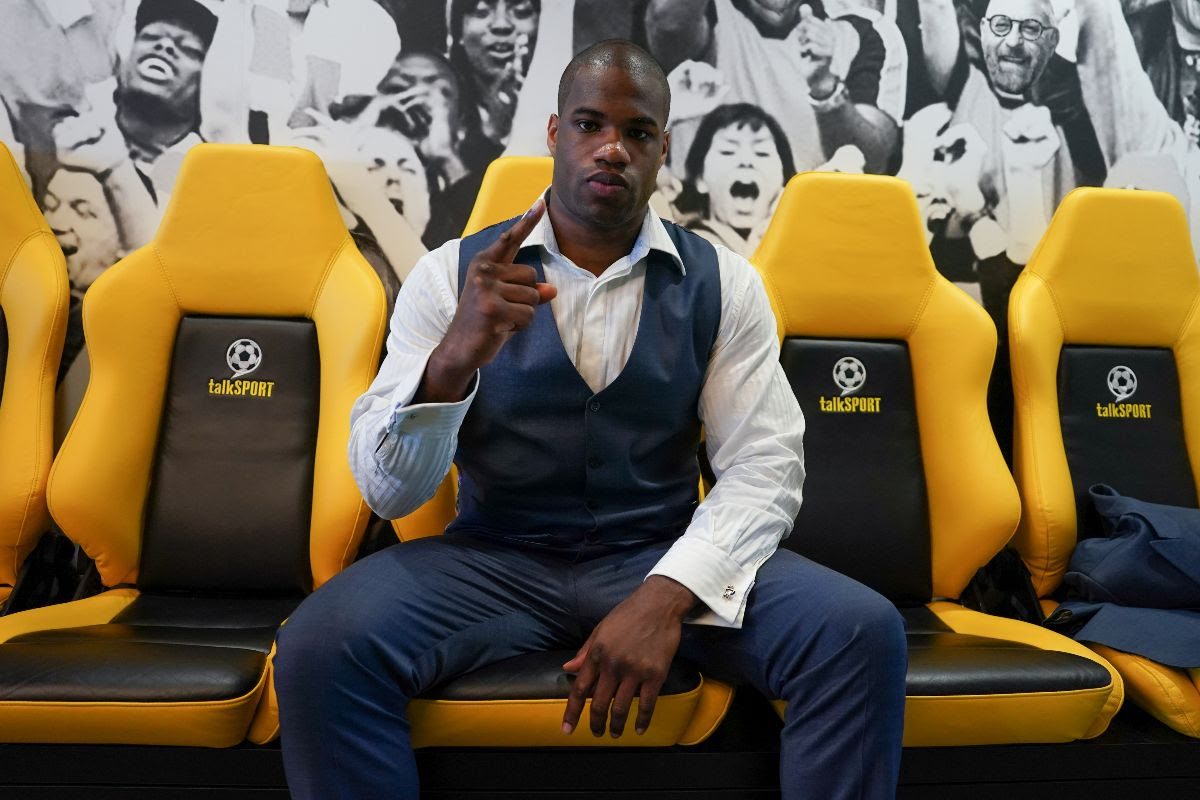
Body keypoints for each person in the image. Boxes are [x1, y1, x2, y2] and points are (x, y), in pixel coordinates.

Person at [274, 39, 907, 800]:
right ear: (553, 133)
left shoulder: (724, 284)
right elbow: (389, 493)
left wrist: (667, 594)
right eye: (588, 124)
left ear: (663, 148)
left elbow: (765, 465)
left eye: (637, 132)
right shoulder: (449, 276)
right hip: (492, 561)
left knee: (858, 633)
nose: (611, 148)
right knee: (320, 645)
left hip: (658, 550)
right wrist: (450, 363)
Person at [644, 0, 907, 173]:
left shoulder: (864, 30)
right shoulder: (705, 11)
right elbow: (668, 22)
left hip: (812, 227)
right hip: (705, 228)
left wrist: (824, 86)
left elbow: (872, 161)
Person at [673, 102, 796, 256]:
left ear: (783, 181)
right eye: (727, 151)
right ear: (700, 178)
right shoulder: (687, 244)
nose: (746, 161)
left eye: (762, 152)